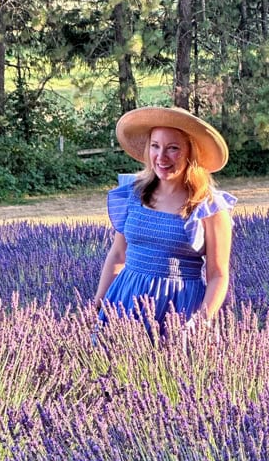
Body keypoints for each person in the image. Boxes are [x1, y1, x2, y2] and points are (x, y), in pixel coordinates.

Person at [92, 106, 236, 334]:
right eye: (155, 146)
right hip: (125, 300)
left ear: (191, 152)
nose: (161, 157)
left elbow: (218, 274)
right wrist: (98, 304)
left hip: (180, 309)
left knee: (171, 369)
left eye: (173, 148)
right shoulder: (133, 194)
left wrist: (201, 322)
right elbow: (118, 254)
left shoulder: (209, 207)